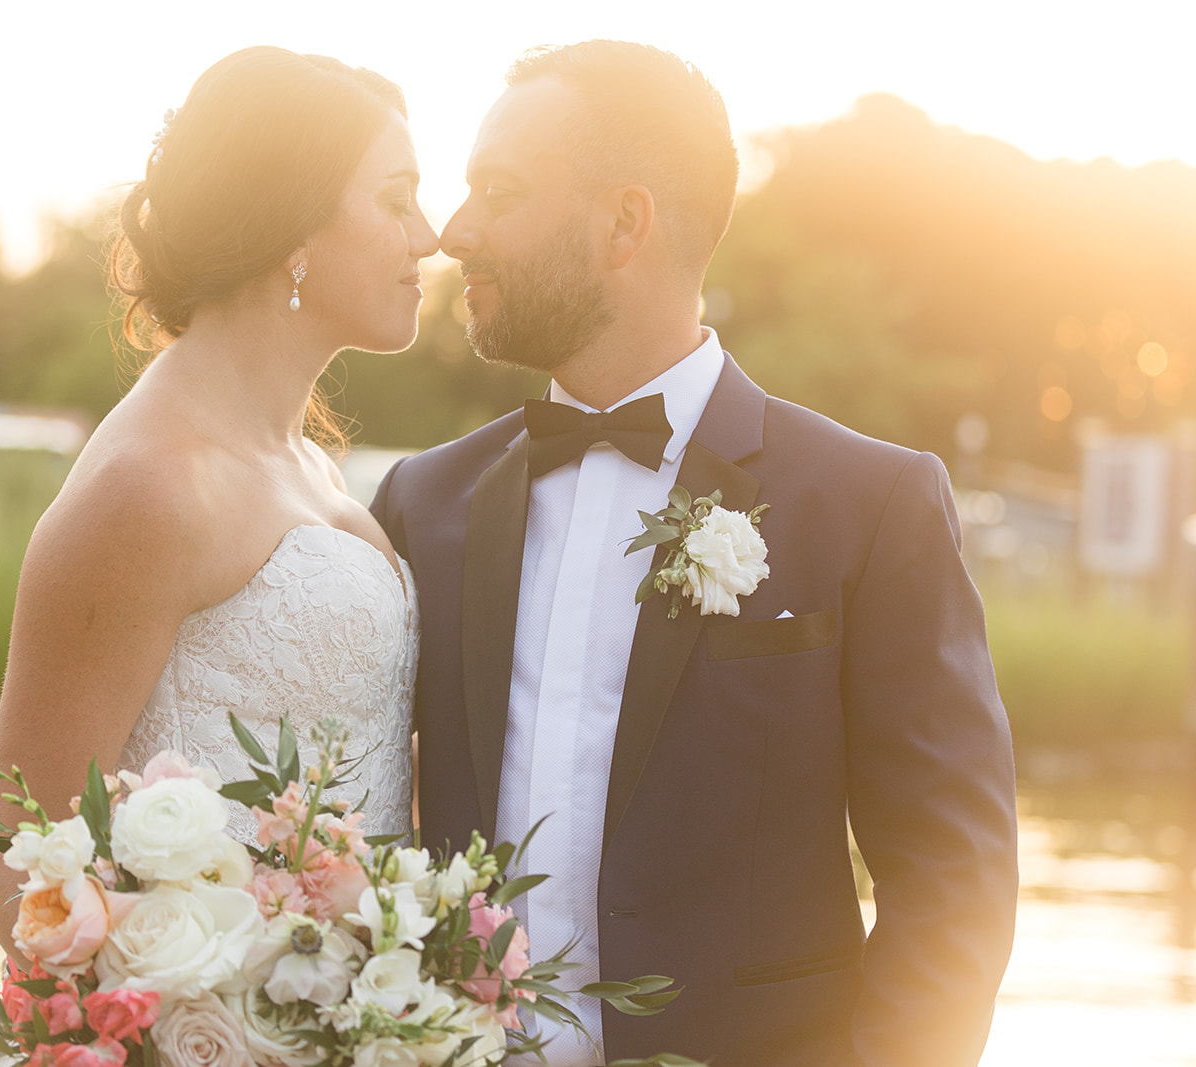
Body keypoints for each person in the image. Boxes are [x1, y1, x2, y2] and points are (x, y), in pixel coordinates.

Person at [371, 40, 1019, 1067]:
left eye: (498, 190)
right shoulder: (421, 501)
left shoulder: (870, 501)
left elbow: (953, 877)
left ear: (623, 221)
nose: (457, 230)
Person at [0, 45, 438, 964]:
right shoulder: (150, 485)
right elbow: (7, 862)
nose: (429, 235)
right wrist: (212, 1032)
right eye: (395, 199)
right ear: (293, 224)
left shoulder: (307, 464)